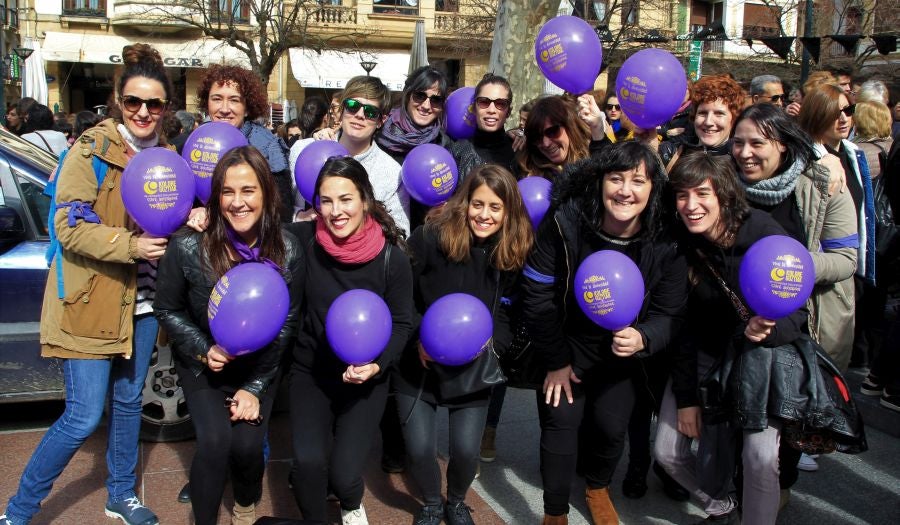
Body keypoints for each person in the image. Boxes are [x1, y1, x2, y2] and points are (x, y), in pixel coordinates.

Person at [1, 43, 173, 525]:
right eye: (134, 101)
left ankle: (120, 494)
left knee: (128, 401)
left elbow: (171, 221)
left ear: (165, 108)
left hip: (142, 303)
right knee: (80, 415)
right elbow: (68, 227)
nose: (143, 111)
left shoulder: (168, 157)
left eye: (154, 103)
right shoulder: (91, 149)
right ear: (119, 99)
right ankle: (18, 511)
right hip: (90, 299)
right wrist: (130, 246)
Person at [522, 141, 687, 525]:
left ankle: (597, 488)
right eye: (616, 179)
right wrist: (556, 360)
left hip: (623, 355)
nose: (625, 190)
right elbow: (538, 294)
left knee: (612, 429)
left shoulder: (666, 239)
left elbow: (671, 311)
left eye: (638, 181)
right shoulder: (565, 221)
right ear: (600, 182)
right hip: (566, 344)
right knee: (560, 426)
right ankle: (555, 511)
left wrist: (645, 336)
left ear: (653, 189)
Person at [656, 152, 808, 525]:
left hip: (758, 359)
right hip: (704, 360)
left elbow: (798, 312)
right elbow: (682, 327)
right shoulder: (682, 244)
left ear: (724, 194)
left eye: (702, 194)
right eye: (682, 195)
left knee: (759, 460)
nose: (691, 206)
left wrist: (767, 330)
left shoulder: (763, 232)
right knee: (668, 451)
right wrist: (688, 398)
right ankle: (722, 506)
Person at [154, 146, 303, 525]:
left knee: (248, 447)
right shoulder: (189, 244)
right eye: (228, 192)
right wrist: (205, 350)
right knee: (216, 444)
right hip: (205, 363)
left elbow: (287, 323)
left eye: (248, 190)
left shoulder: (287, 248)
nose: (238, 202)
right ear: (216, 196)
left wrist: (254, 387)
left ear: (267, 193)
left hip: (259, 365)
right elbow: (167, 308)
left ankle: (245, 506)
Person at [395, 165, 532, 525]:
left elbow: (512, 312)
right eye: (478, 204)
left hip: (473, 366)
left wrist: (494, 347)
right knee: (420, 447)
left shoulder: (511, 252)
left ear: (508, 213)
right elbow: (401, 295)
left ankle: (455, 501)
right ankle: (430, 503)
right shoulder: (429, 237)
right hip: (419, 361)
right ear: (465, 203)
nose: (484, 215)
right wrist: (418, 338)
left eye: (495, 208)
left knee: (467, 450)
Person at [732, 102, 859, 481]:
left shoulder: (822, 184)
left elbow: (846, 259)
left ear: (783, 145)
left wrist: (789, 266)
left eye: (757, 142)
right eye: (738, 143)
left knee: (784, 424)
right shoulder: (726, 183)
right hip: (739, 325)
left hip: (801, 325)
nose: (745, 152)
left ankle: (776, 494)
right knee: (740, 425)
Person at [285, 157, 413, 525]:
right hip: (312, 373)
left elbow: (403, 323)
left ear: (365, 200)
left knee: (343, 476)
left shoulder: (392, 257)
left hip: (367, 380)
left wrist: (377, 364)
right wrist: (201, 218)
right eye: (326, 201)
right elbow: (253, 229)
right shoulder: (303, 240)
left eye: (346, 199)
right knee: (308, 466)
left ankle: (351, 502)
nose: (336, 211)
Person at [798, 84, 877, 370]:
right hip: (817, 272)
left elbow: (863, 211)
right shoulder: (805, 159)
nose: (843, 119)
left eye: (848, 110)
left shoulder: (854, 154)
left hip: (849, 265)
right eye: (835, 113)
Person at [290, 76, 410, 235]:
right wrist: (298, 216)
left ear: (381, 120)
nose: (360, 115)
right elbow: (281, 208)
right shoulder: (303, 151)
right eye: (352, 106)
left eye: (370, 111)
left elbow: (401, 232)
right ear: (341, 110)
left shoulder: (392, 173)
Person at [195, 65, 294, 223]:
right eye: (217, 99)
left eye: (234, 100)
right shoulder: (197, 142)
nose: (224, 109)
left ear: (247, 108)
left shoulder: (268, 146)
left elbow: (283, 210)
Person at [658, 74, 745, 169]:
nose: (708, 122)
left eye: (719, 113)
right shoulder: (673, 154)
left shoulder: (743, 163)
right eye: (702, 113)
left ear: (734, 118)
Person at [517, 94, 609, 181]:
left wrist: (597, 128)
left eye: (552, 131)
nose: (546, 143)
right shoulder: (528, 172)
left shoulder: (594, 157)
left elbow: (609, 172)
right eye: (536, 137)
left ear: (569, 127)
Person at [449, 73, 519, 182]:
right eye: (484, 102)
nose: (491, 110)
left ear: (508, 111)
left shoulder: (519, 152)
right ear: (474, 108)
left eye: (500, 103)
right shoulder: (457, 152)